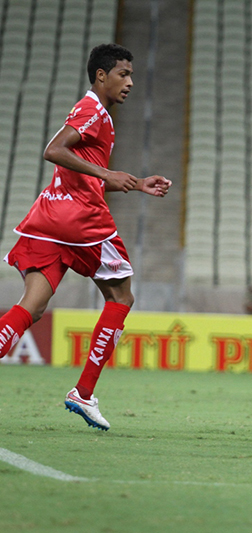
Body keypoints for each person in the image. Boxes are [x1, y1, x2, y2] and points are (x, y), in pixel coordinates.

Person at [0, 43, 171, 431]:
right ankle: (83, 391)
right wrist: (108, 175)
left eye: (131, 75)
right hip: (80, 221)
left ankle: (83, 392)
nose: (129, 82)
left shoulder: (100, 115)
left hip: (47, 217)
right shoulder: (93, 108)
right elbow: (53, 150)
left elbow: (85, 173)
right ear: (101, 76)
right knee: (121, 295)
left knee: (33, 306)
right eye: (123, 74)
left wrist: (135, 182)